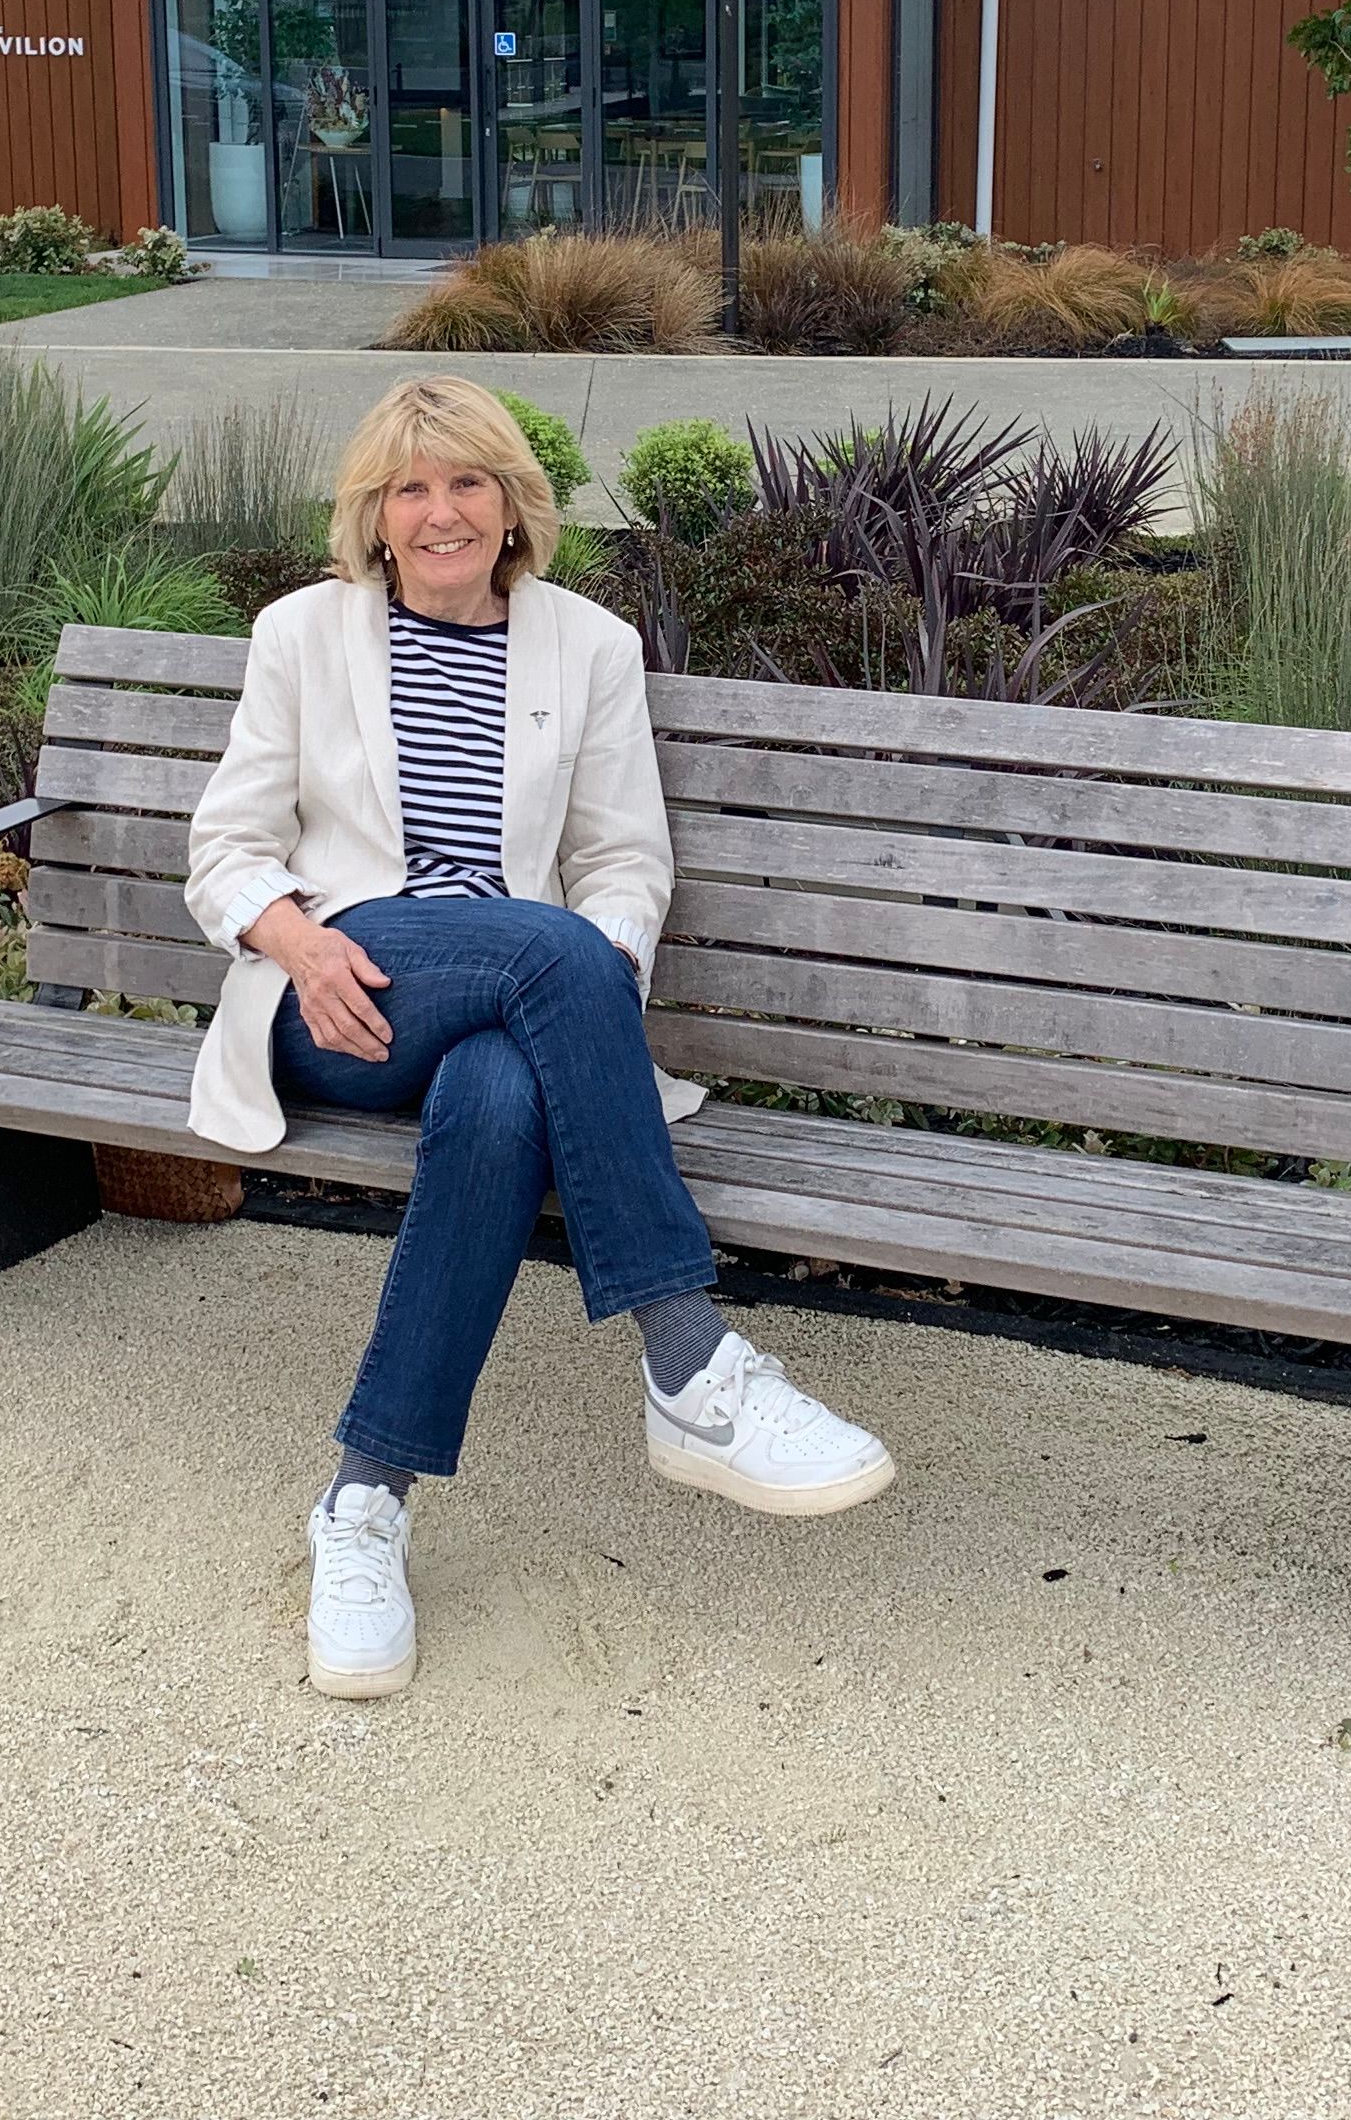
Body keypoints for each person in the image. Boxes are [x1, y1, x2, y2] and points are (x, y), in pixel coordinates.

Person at [182, 373, 893, 1698]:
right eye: (411, 487)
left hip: (511, 1007)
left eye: (468, 483)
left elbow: (627, 868)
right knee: (548, 946)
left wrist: (587, 972)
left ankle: (364, 1503)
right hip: (343, 997)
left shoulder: (587, 646)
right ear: (375, 516)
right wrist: (291, 938)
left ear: (513, 505)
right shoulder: (301, 635)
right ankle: (691, 1362)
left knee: (506, 1097)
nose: (442, 512)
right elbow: (224, 850)